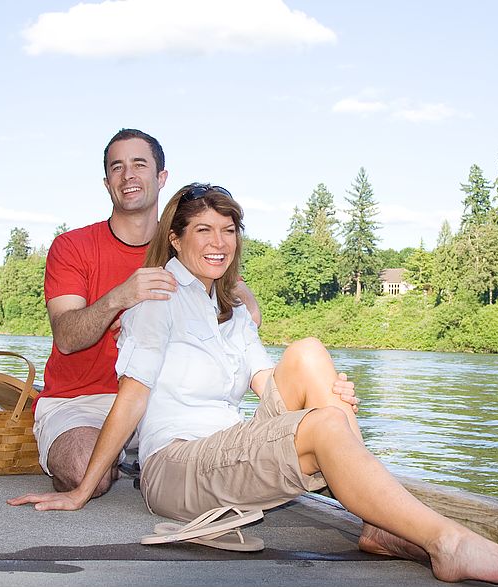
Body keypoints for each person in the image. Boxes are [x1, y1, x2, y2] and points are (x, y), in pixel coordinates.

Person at [10, 183, 498, 584]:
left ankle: (379, 523)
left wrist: (326, 392)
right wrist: (83, 491)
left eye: (228, 229)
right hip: (176, 467)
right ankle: (446, 541)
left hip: (226, 446)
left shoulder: (228, 304)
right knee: (324, 427)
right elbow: (131, 399)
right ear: (173, 239)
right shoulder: (157, 298)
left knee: (311, 355)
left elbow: (266, 378)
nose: (219, 241)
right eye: (203, 229)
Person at [35, 128, 358, 497]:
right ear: (106, 182)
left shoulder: (193, 241)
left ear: (161, 178)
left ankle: (358, 491)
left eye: (139, 164)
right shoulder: (73, 246)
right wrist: (120, 298)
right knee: (82, 469)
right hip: (86, 402)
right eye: (117, 167)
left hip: (165, 403)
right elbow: (66, 337)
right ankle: (114, 460)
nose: (128, 175)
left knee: (317, 380)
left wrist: (246, 312)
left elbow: (243, 312)